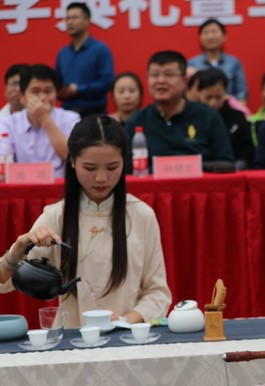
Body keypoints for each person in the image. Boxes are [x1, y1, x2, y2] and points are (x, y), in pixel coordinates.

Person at [0, 116, 171, 328]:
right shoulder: (55, 216)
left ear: (124, 162)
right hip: (69, 340)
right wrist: (19, 247)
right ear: (72, 161)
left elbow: (158, 293)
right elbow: (3, 284)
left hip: (127, 337)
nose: (101, 178)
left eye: (112, 167)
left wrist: (123, 321)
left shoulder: (141, 215)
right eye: (90, 168)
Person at [123, 51, 234, 173]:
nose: (161, 80)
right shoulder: (136, 122)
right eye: (154, 75)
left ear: (184, 81)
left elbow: (225, 164)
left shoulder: (208, 116)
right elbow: (127, 171)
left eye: (169, 74)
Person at [0, 64, 80, 178]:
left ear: (56, 93)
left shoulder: (71, 119)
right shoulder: (7, 123)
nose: (42, 97)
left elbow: (72, 158)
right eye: (35, 92)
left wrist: (45, 119)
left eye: (48, 91)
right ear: (22, 96)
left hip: (61, 186)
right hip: (21, 185)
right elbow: (4, 162)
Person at [55, 2, 114, 117]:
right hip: (67, 114)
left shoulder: (100, 50)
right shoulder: (63, 53)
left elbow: (106, 83)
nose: (69, 22)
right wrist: (60, 91)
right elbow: (57, 83)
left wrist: (78, 89)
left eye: (75, 18)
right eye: (67, 18)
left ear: (87, 21)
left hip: (94, 113)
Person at [194, 68, 254, 169]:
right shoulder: (190, 118)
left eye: (218, 97)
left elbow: (246, 153)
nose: (213, 103)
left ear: (225, 93)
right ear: (198, 93)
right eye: (208, 97)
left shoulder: (238, 119)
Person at [187, 19, 249, 104]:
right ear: (200, 38)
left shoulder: (234, 63)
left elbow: (241, 94)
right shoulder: (192, 64)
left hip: (228, 109)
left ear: (224, 36)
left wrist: (238, 109)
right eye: (206, 32)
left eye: (214, 32)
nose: (210, 36)